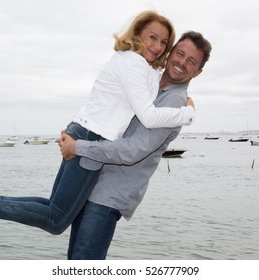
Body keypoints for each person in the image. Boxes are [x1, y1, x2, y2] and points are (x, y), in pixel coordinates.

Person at [0, 11, 195, 235]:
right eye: (153, 37)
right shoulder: (133, 64)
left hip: (84, 130)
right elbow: (149, 116)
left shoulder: (135, 64)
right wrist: (187, 113)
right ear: (137, 33)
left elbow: (145, 89)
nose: (159, 46)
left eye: (164, 42)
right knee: (57, 220)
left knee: (54, 207)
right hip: (91, 137)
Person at [60, 31, 212, 259]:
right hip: (92, 184)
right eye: (179, 54)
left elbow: (132, 150)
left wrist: (77, 147)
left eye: (191, 61)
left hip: (108, 197)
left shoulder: (174, 102)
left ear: (198, 72)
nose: (182, 62)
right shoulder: (148, 81)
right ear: (170, 53)